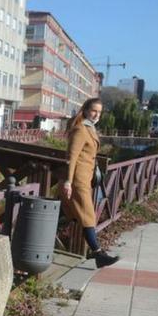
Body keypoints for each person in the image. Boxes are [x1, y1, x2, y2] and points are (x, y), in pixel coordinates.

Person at [62, 97, 119, 268]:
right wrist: (68, 182)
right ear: (86, 110)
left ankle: (50, 236)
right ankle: (98, 253)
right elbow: (71, 157)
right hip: (78, 180)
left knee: (75, 215)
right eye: (94, 110)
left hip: (86, 179)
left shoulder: (90, 129)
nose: (96, 115)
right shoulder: (80, 129)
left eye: (99, 112)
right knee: (88, 216)